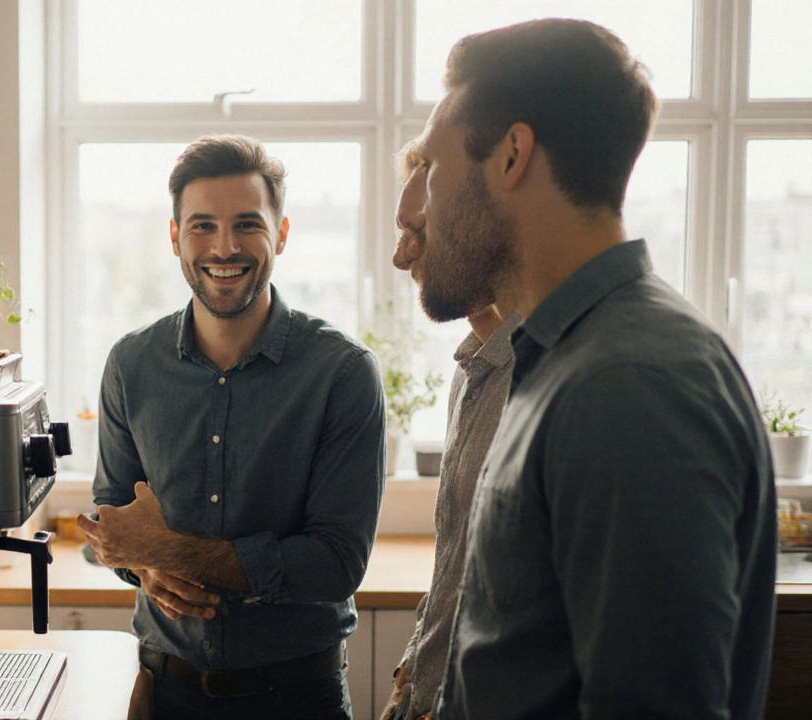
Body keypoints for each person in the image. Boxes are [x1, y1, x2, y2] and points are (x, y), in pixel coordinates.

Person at [393, 19, 776, 720]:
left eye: (433, 170)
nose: (410, 206)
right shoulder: (561, 360)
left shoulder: (630, 386)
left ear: (513, 156)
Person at [77, 134, 386, 719]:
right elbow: (112, 517)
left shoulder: (342, 373)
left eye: (247, 224)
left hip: (299, 701)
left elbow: (335, 563)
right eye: (201, 226)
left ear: (283, 234)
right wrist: (141, 566)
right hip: (163, 693)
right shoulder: (130, 364)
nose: (224, 247)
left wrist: (173, 552)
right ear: (174, 237)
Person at [380, 144, 521, 720]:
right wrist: (411, 674)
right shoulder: (473, 372)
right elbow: (456, 567)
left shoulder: (551, 382)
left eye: (418, 233)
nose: (399, 256)